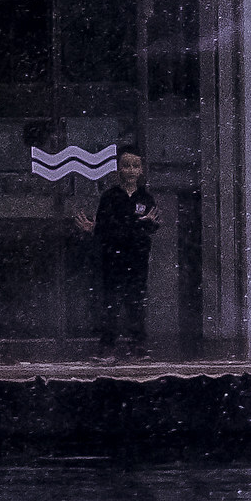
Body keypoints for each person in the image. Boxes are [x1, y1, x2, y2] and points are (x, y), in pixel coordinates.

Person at [73, 150, 159, 358]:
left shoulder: (145, 198)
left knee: (136, 303)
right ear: (119, 169)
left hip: (137, 260)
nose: (131, 170)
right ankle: (107, 346)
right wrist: (94, 229)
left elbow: (149, 226)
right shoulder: (110, 197)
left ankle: (137, 345)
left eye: (135, 166)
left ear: (141, 170)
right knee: (110, 303)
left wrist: (143, 225)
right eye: (126, 165)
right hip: (113, 260)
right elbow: (105, 228)